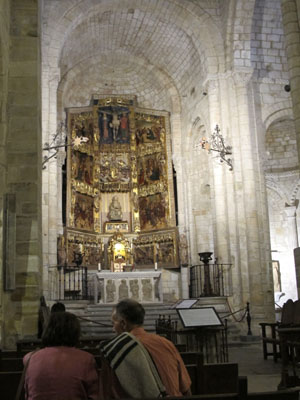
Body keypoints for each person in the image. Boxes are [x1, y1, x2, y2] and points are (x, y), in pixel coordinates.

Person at [99, 299, 191, 398]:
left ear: (123, 324)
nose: (113, 329)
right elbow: (186, 388)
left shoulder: (116, 349)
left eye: (113, 324)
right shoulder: (167, 343)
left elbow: (108, 392)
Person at [24, 312, 99, 400]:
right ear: (75, 332)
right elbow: (94, 395)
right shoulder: (86, 359)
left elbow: (28, 392)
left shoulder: (30, 358)